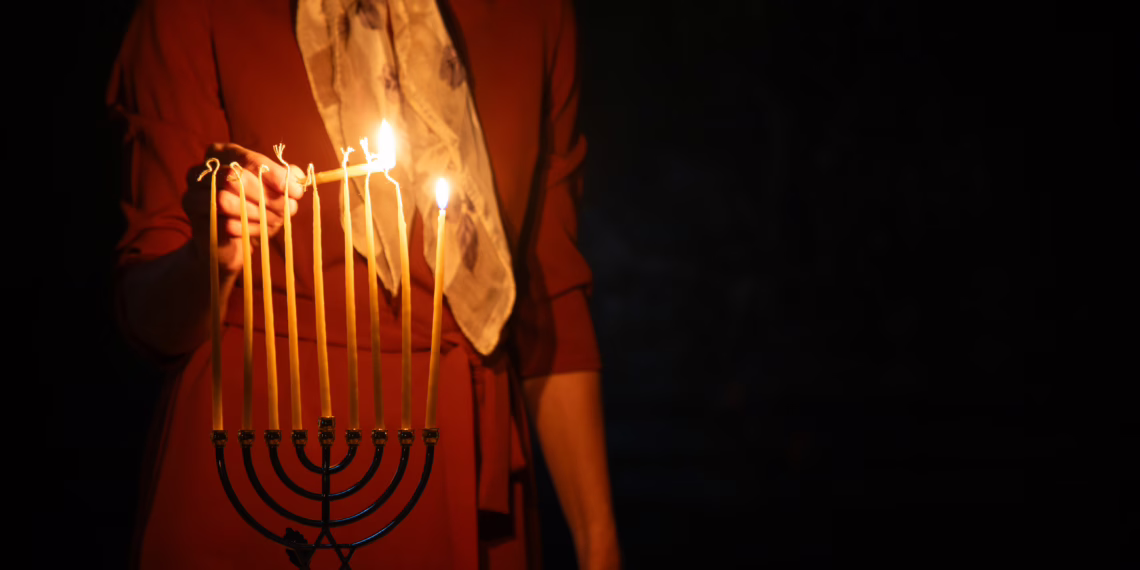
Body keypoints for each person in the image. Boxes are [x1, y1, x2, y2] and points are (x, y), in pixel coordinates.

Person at [108, 0, 619, 568]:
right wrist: (214, 255)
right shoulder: (198, 12)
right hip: (265, 459)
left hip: (454, 455)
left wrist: (600, 545)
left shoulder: (533, 13)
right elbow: (149, 319)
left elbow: (552, 301)